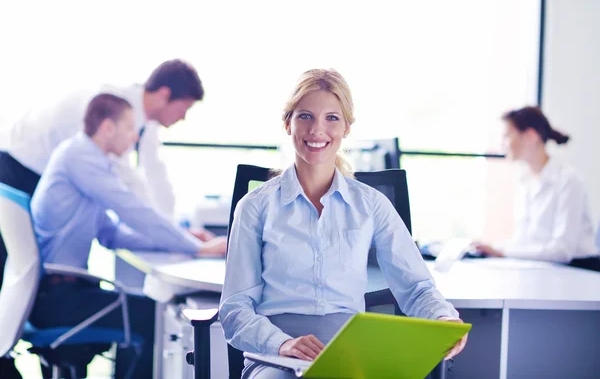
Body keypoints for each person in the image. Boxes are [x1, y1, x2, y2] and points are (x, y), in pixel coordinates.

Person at [219, 69, 467, 379]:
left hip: (350, 353)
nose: (317, 130)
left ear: (347, 128)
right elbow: (235, 308)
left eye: (332, 118)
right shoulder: (256, 206)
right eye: (305, 116)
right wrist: (282, 344)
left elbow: (416, 288)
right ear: (288, 124)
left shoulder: (370, 204)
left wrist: (443, 318)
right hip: (276, 356)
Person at [0, 60, 220, 376]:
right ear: (107, 129)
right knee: (153, 316)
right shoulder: (80, 159)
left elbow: (112, 234)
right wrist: (195, 248)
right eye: (130, 130)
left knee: (147, 309)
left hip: (54, 294)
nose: (134, 138)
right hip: (55, 298)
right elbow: (133, 208)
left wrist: (179, 237)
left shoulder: (87, 161)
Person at [473, 106, 600, 271]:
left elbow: (561, 251)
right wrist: (496, 249)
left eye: (507, 136)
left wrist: (503, 252)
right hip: (544, 268)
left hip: (578, 270)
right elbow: (524, 242)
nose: (502, 144)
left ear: (530, 136)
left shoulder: (568, 180)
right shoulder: (525, 180)